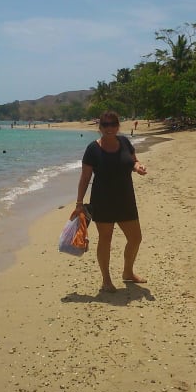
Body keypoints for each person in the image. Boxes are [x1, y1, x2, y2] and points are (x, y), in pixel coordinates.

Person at [75, 111, 147, 292]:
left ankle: (128, 272)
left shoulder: (124, 142)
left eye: (113, 124)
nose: (110, 128)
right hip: (103, 201)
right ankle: (106, 280)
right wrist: (79, 203)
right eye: (105, 125)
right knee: (105, 239)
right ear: (100, 127)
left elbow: (133, 160)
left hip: (126, 199)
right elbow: (85, 178)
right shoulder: (93, 149)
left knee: (135, 238)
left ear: (118, 126)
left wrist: (138, 167)